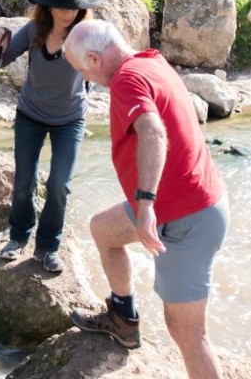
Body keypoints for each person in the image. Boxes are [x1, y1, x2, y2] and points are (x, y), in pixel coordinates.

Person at [62, 19, 229, 379]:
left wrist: (147, 205)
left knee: (188, 333)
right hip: (192, 199)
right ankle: (123, 318)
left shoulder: (125, 80)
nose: (87, 81)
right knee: (103, 231)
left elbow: (153, 130)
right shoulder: (150, 60)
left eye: (83, 72)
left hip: (186, 214)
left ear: (94, 58)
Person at [0, 0, 100, 273]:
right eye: (62, 6)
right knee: (24, 182)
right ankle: (18, 237)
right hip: (30, 115)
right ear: (49, 6)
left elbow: (107, 67)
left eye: (74, 7)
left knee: (59, 185)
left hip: (70, 119)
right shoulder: (33, 30)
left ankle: (47, 247)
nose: (68, 13)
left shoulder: (88, 35)